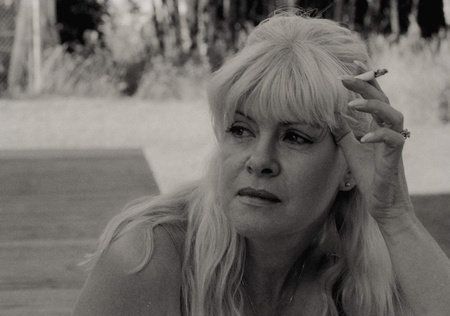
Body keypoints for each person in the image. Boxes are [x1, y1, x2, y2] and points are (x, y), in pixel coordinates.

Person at [72, 10, 450, 316]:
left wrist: (395, 217)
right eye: (241, 130)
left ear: (350, 168)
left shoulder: (362, 273)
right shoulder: (149, 258)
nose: (260, 160)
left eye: (295, 137)